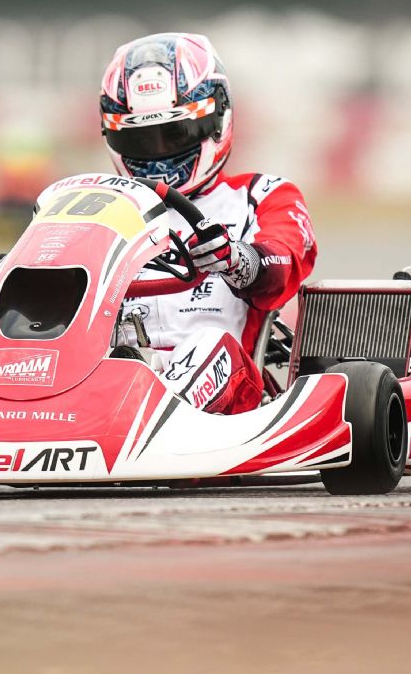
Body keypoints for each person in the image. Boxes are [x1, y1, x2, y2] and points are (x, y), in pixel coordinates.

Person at [100, 32, 318, 415]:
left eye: (174, 135)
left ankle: (156, 418)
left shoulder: (263, 195)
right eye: (141, 140)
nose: (158, 156)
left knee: (208, 344)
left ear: (216, 121)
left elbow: (282, 265)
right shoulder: (102, 206)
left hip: (227, 394)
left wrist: (238, 260)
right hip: (113, 377)